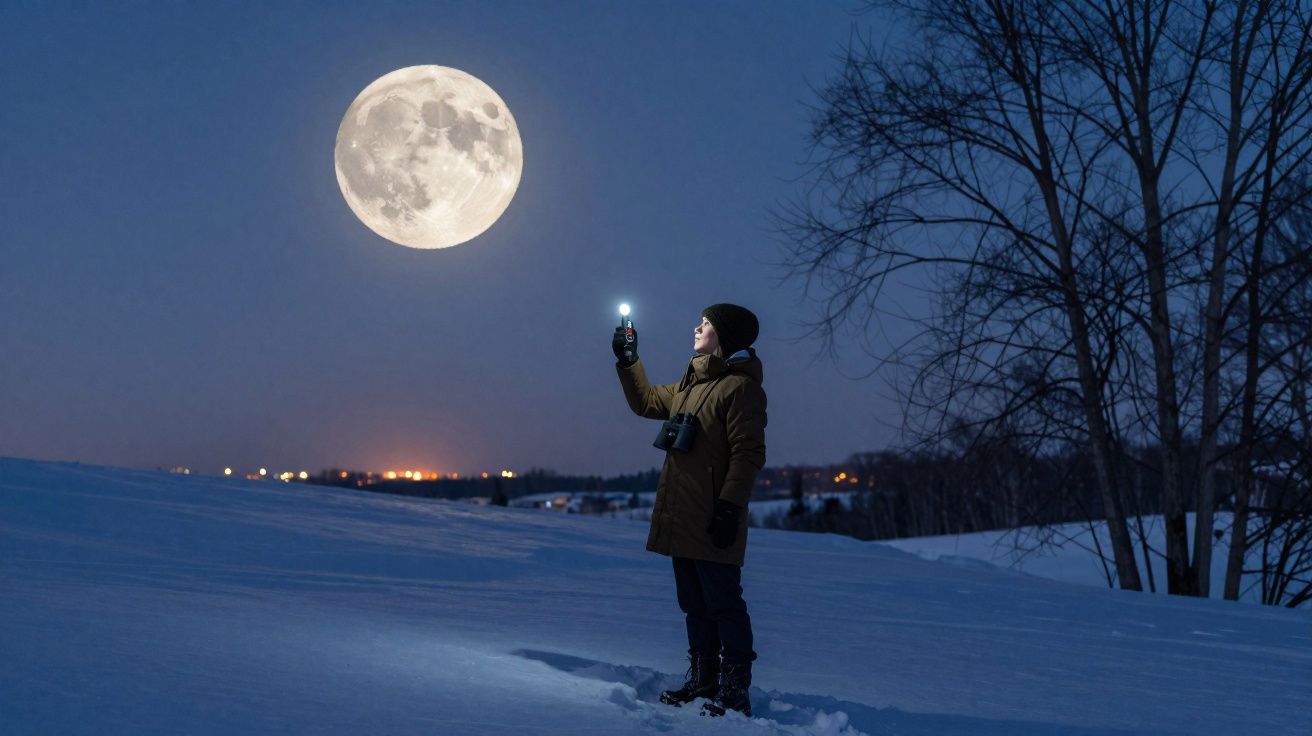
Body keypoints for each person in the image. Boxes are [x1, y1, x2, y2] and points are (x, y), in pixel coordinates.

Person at [611, 303, 767, 718]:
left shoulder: (740, 389)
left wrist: (730, 508)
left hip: (714, 516)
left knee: (724, 604)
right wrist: (629, 360)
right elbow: (645, 401)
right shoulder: (692, 382)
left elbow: (748, 454)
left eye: (707, 324)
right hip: (683, 516)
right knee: (694, 604)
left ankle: (734, 691)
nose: (697, 327)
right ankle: (703, 681)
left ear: (726, 336)